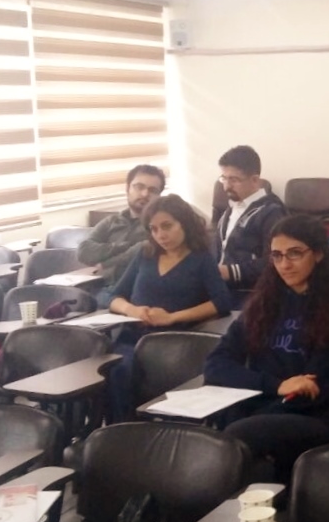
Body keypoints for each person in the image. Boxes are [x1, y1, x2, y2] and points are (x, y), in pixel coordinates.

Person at [204, 215, 329, 483]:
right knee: (224, 432)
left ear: (318, 254)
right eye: (276, 256)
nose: (284, 264)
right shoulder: (263, 304)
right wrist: (275, 386)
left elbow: (310, 391)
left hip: (311, 416)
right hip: (263, 402)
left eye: (295, 253)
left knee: (234, 436)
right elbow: (215, 365)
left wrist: (258, 401)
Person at [107, 194, 231, 421]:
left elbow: (222, 302)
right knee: (118, 369)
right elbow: (114, 296)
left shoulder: (201, 259)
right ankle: (122, 428)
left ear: (183, 223)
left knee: (143, 371)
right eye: (153, 229)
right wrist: (132, 310)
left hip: (173, 341)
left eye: (167, 226)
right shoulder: (145, 253)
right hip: (133, 337)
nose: (160, 235)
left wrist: (172, 317)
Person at [77, 164, 165, 306]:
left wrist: (104, 264)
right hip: (97, 287)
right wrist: (123, 247)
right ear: (127, 189)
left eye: (152, 190)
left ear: (159, 196)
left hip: (131, 294)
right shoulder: (111, 221)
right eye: (139, 187)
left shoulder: (160, 226)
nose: (144, 194)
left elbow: (140, 252)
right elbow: (83, 251)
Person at [214, 145, 286, 306]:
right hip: (222, 291)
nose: (226, 186)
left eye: (233, 180)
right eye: (224, 178)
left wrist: (230, 272)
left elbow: (275, 261)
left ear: (254, 180)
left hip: (251, 296)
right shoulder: (231, 209)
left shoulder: (272, 212)